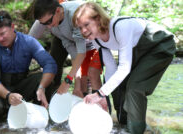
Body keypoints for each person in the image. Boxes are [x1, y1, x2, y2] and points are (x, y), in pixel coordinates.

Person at [72, 2, 176, 133]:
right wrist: (104, 95)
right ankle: (123, 125)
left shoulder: (120, 27)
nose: (83, 31)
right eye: (80, 28)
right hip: (138, 50)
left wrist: (99, 93)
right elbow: (111, 69)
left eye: (86, 25)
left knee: (135, 88)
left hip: (160, 45)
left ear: (98, 19)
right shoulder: (95, 39)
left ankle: (136, 130)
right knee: (119, 86)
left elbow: (124, 68)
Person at [0, 10, 57, 122]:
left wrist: (41, 88)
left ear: (12, 27)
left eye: (2, 33)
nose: (0, 39)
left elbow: (50, 64)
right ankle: (5, 118)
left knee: (47, 80)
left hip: (21, 86)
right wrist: (8, 96)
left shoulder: (28, 41)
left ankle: (38, 112)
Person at [30, 0, 107, 110]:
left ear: (58, 10)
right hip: (76, 44)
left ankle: (100, 110)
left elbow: (81, 52)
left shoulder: (75, 16)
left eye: (49, 22)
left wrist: (68, 81)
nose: (48, 26)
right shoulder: (51, 21)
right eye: (44, 24)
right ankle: (53, 105)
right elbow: (73, 51)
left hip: (95, 41)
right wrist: (75, 83)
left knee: (92, 76)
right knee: (77, 86)